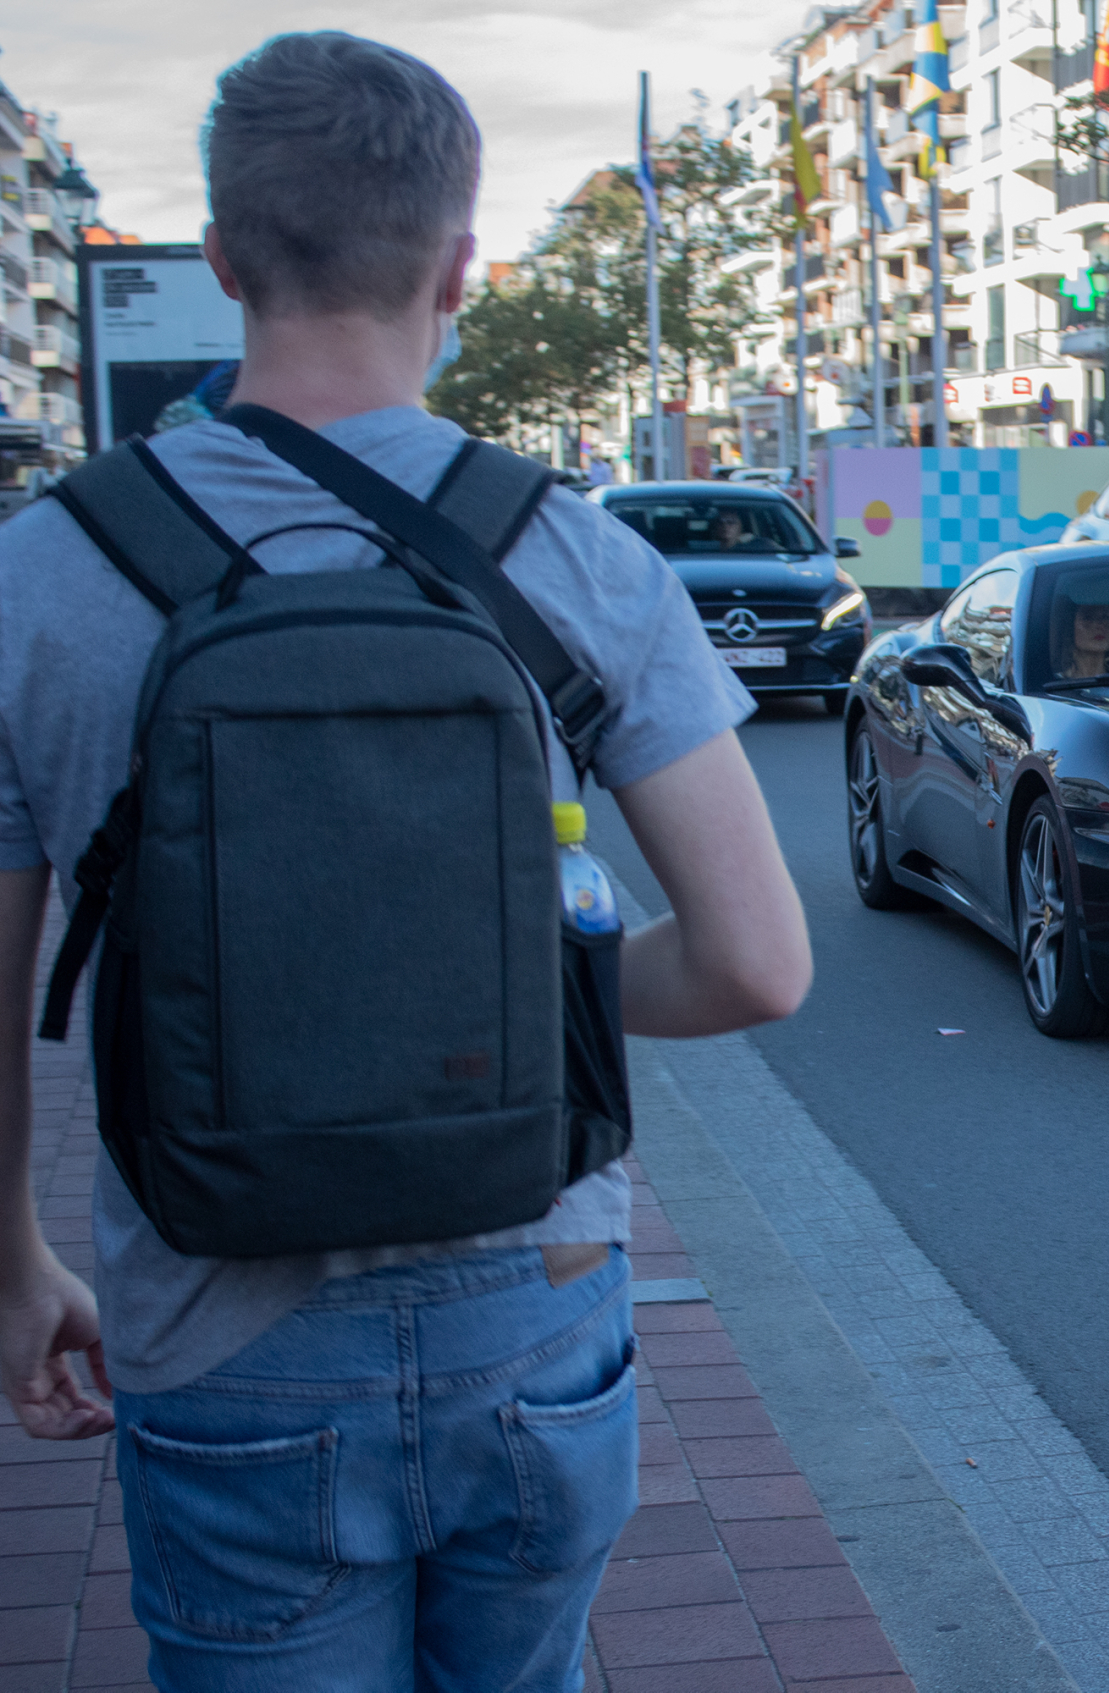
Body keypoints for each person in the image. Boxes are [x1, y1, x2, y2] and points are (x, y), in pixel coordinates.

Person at [0, 33, 812, 1689]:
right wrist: (517, 976)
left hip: (214, 1320)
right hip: (538, 1290)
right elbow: (754, 963)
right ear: (459, 264)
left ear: (224, 256)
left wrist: (14, 1267)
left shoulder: (44, 570)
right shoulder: (576, 552)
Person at [1060, 599, 1109, 676]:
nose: (1100, 625)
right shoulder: (1055, 684)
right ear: (1071, 628)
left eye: (1105, 617)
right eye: (1087, 618)